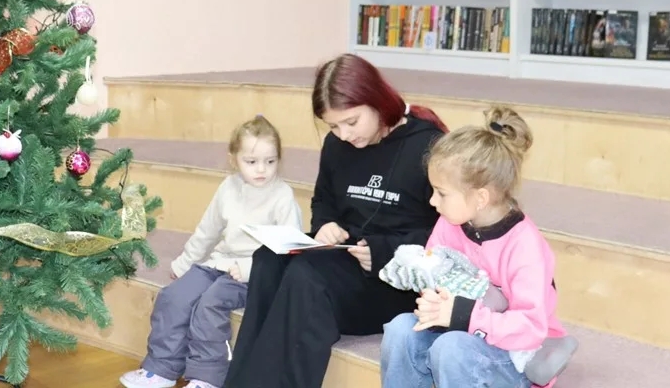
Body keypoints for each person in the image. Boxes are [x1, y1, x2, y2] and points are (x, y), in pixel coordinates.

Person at [222, 54, 447, 388]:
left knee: (307, 277)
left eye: (351, 122)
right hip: (344, 259)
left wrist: (384, 250)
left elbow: (450, 234)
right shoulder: (337, 145)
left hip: (397, 282)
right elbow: (324, 200)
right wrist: (325, 223)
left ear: (376, 101)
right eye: (333, 126)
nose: (343, 134)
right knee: (268, 258)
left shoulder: (428, 145)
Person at [380, 105, 568, 388]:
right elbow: (435, 276)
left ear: (480, 198)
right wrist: (433, 300)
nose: (432, 201)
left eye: (441, 193)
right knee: (400, 330)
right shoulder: (449, 222)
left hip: (517, 354)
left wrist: (463, 315)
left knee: (452, 348)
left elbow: (530, 328)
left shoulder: (524, 245)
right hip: (462, 333)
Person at [121, 115, 303, 388]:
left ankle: (207, 378)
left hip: (255, 274)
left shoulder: (282, 196)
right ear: (234, 159)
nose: (261, 169)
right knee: (173, 297)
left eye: (270, 161)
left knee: (210, 304)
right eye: (251, 161)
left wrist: (249, 268)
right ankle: (162, 369)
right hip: (219, 263)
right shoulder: (228, 188)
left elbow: (289, 248)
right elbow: (207, 231)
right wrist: (184, 264)